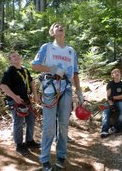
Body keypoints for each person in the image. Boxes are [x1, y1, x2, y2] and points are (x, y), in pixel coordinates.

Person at [31, 22, 84, 171]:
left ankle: (61, 155)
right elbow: (34, 66)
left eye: (61, 26)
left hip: (66, 90)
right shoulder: (46, 48)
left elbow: (75, 73)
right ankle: (45, 158)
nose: (59, 27)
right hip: (50, 89)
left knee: (63, 125)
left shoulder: (71, 51)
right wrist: (52, 68)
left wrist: (79, 93)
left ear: (64, 32)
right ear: (52, 32)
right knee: (49, 126)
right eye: (56, 26)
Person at [0, 51, 40, 155]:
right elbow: (3, 86)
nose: (16, 57)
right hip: (15, 101)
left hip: (26, 100)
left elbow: (31, 81)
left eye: (18, 55)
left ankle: (29, 141)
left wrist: (35, 94)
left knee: (31, 119)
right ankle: (19, 145)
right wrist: (15, 97)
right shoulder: (9, 71)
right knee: (18, 122)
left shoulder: (25, 70)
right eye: (13, 56)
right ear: (10, 60)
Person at [100, 68, 122, 138]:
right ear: (112, 75)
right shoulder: (110, 84)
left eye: (118, 72)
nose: (117, 73)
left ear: (120, 74)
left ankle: (115, 128)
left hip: (120, 102)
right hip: (110, 102)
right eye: (115, 72)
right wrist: (111, 102)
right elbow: (108, 96)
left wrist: (113, 97)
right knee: (105, 111)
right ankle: (104, 131)